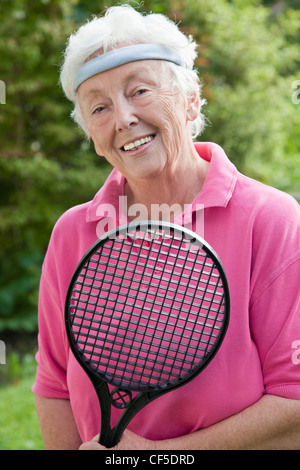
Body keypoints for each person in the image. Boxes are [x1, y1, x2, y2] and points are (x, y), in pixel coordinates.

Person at [33, 5, 300, 450]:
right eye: (99, 107)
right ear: (93, 138)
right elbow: (55, 384)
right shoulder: (71, 234)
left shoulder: (271, 219)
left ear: (191, 100)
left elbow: (295, 402)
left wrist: (158, 458)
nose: (122, 118)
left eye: (139, 90)